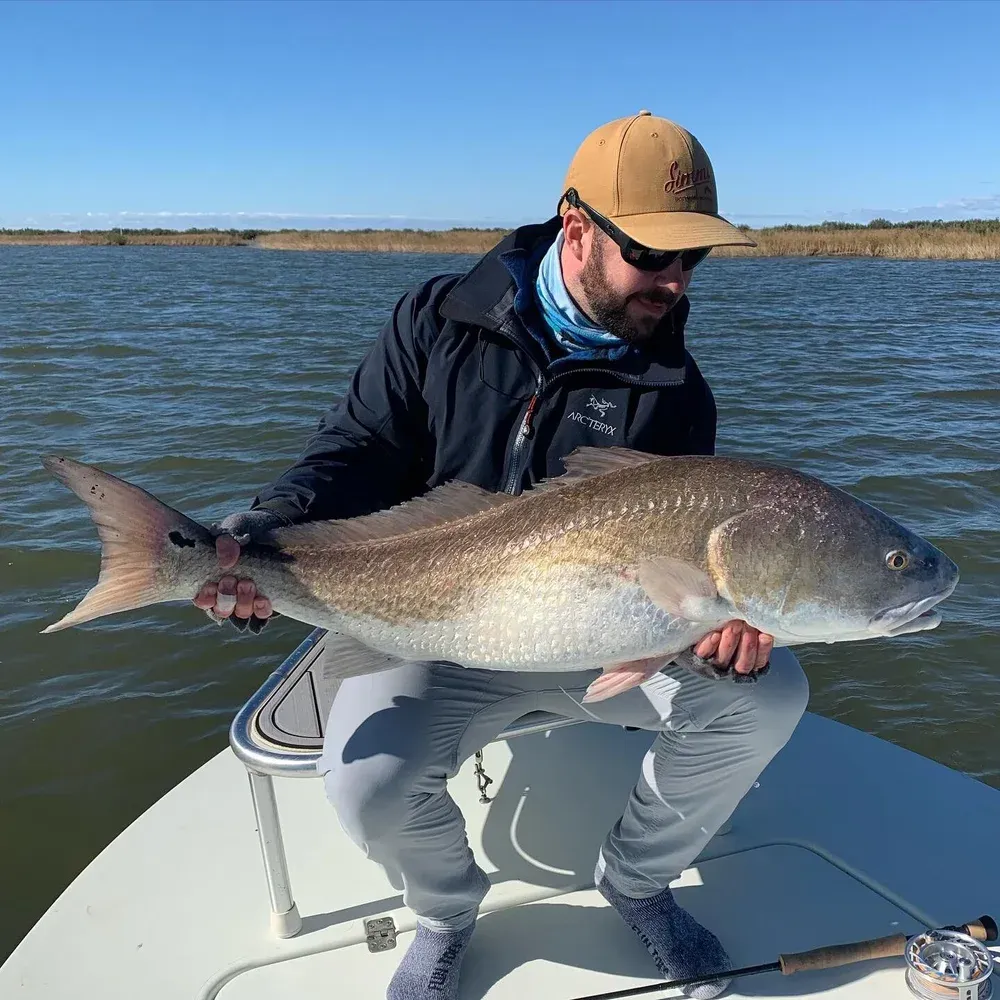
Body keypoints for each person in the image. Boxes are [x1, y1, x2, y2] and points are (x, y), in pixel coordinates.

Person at [194, 112, 810, 1000]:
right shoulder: (436, 321)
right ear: (577, 230)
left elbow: (683, 568)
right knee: (366, 779)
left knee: (770, 695)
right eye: (652, 253)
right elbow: (356, 449)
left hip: (602, 633)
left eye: (695, 258)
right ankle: (446, 913)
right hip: (432, 616)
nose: (674, 281)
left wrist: (722, 630)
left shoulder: (678, 391)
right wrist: (264, 528)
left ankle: (636, 881)